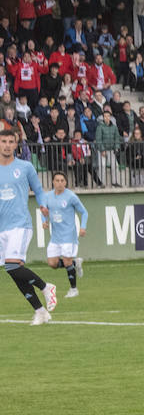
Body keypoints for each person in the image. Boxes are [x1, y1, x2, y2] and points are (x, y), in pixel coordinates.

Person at [0, 127, 60, 325]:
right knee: (13, 270)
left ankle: (46, 287)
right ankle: (41, 311)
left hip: (20, 224)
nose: (7, 146)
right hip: (2, 227)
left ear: (16, 145)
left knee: (11, 265)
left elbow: (39, 190)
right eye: (4, 142)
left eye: (11, 142)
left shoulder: (25, 167)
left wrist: (43, 205)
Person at [41, 171, 87, 298]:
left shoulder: (71, 196)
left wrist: (83, 227)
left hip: (69, 235)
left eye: (62, 181)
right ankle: (75, 263)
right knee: (52, 263)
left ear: (65, 183)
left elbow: (84, 212)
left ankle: (74, 289)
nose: (60, 183)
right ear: (53, 182)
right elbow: (43, 211)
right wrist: (44, 221)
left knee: (66, 261)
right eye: (57, 180)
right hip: (55, 237)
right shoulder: (48, 196)